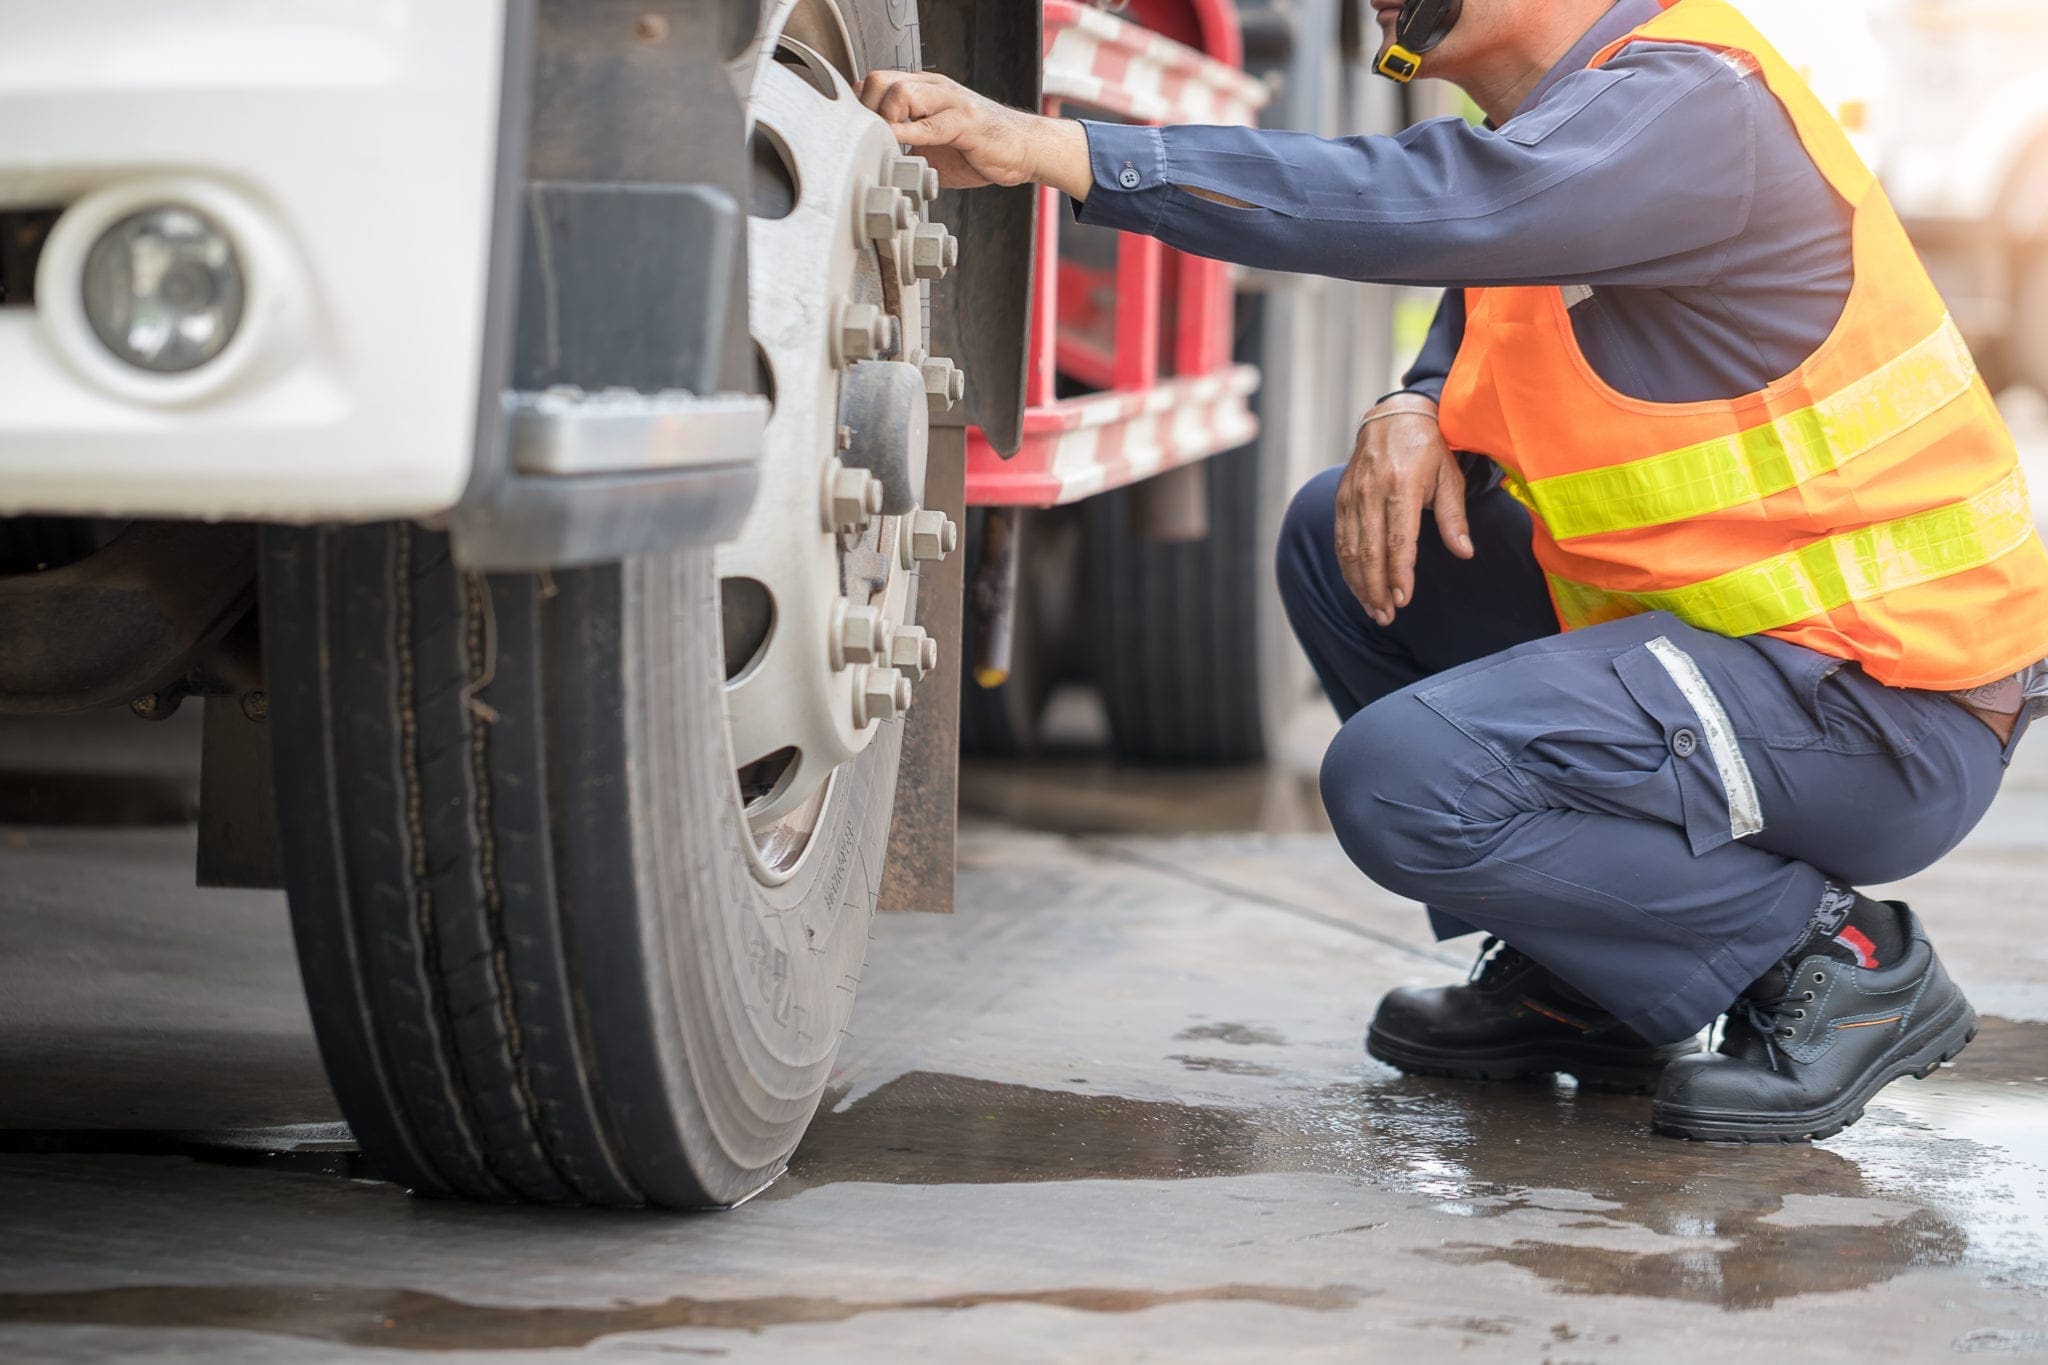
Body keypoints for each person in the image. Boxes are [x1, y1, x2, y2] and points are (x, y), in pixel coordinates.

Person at [860, 0, 2048, 1141]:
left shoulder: (1687, 104)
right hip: (1754, 657)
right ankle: (1587, 976)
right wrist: (1412, 399)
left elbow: (1441, 206)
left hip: (1882, 700)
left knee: (1401, 782)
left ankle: (1837, 962)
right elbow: (1494, 281)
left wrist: (1065, 149)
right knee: (1346, 535)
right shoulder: (1572, 125)